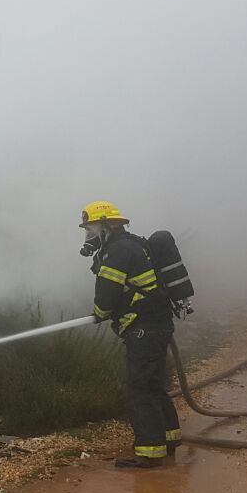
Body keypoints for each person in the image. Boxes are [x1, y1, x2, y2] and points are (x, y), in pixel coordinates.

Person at [79, 200, 182, 468]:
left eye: (91, 229)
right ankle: (170, 438)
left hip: (144, 328)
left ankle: (149, 452)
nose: (89, 236)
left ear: (105, 225)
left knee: (140, 390)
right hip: (155, 325)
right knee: (153, 384)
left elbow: (106, 295)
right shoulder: (129, 244)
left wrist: (99, 313)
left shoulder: (118, 251)